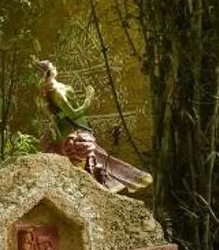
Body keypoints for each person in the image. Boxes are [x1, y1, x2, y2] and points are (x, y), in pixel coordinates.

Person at [37, 60, 152, 193]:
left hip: (70, 128)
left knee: (97, 159)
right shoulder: (56, 92)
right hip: (73, 129)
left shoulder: (53, 89)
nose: (56, 67)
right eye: (53, 67)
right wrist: (88, 99)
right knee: (91, 159)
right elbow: (73, 114)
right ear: (50, 72)